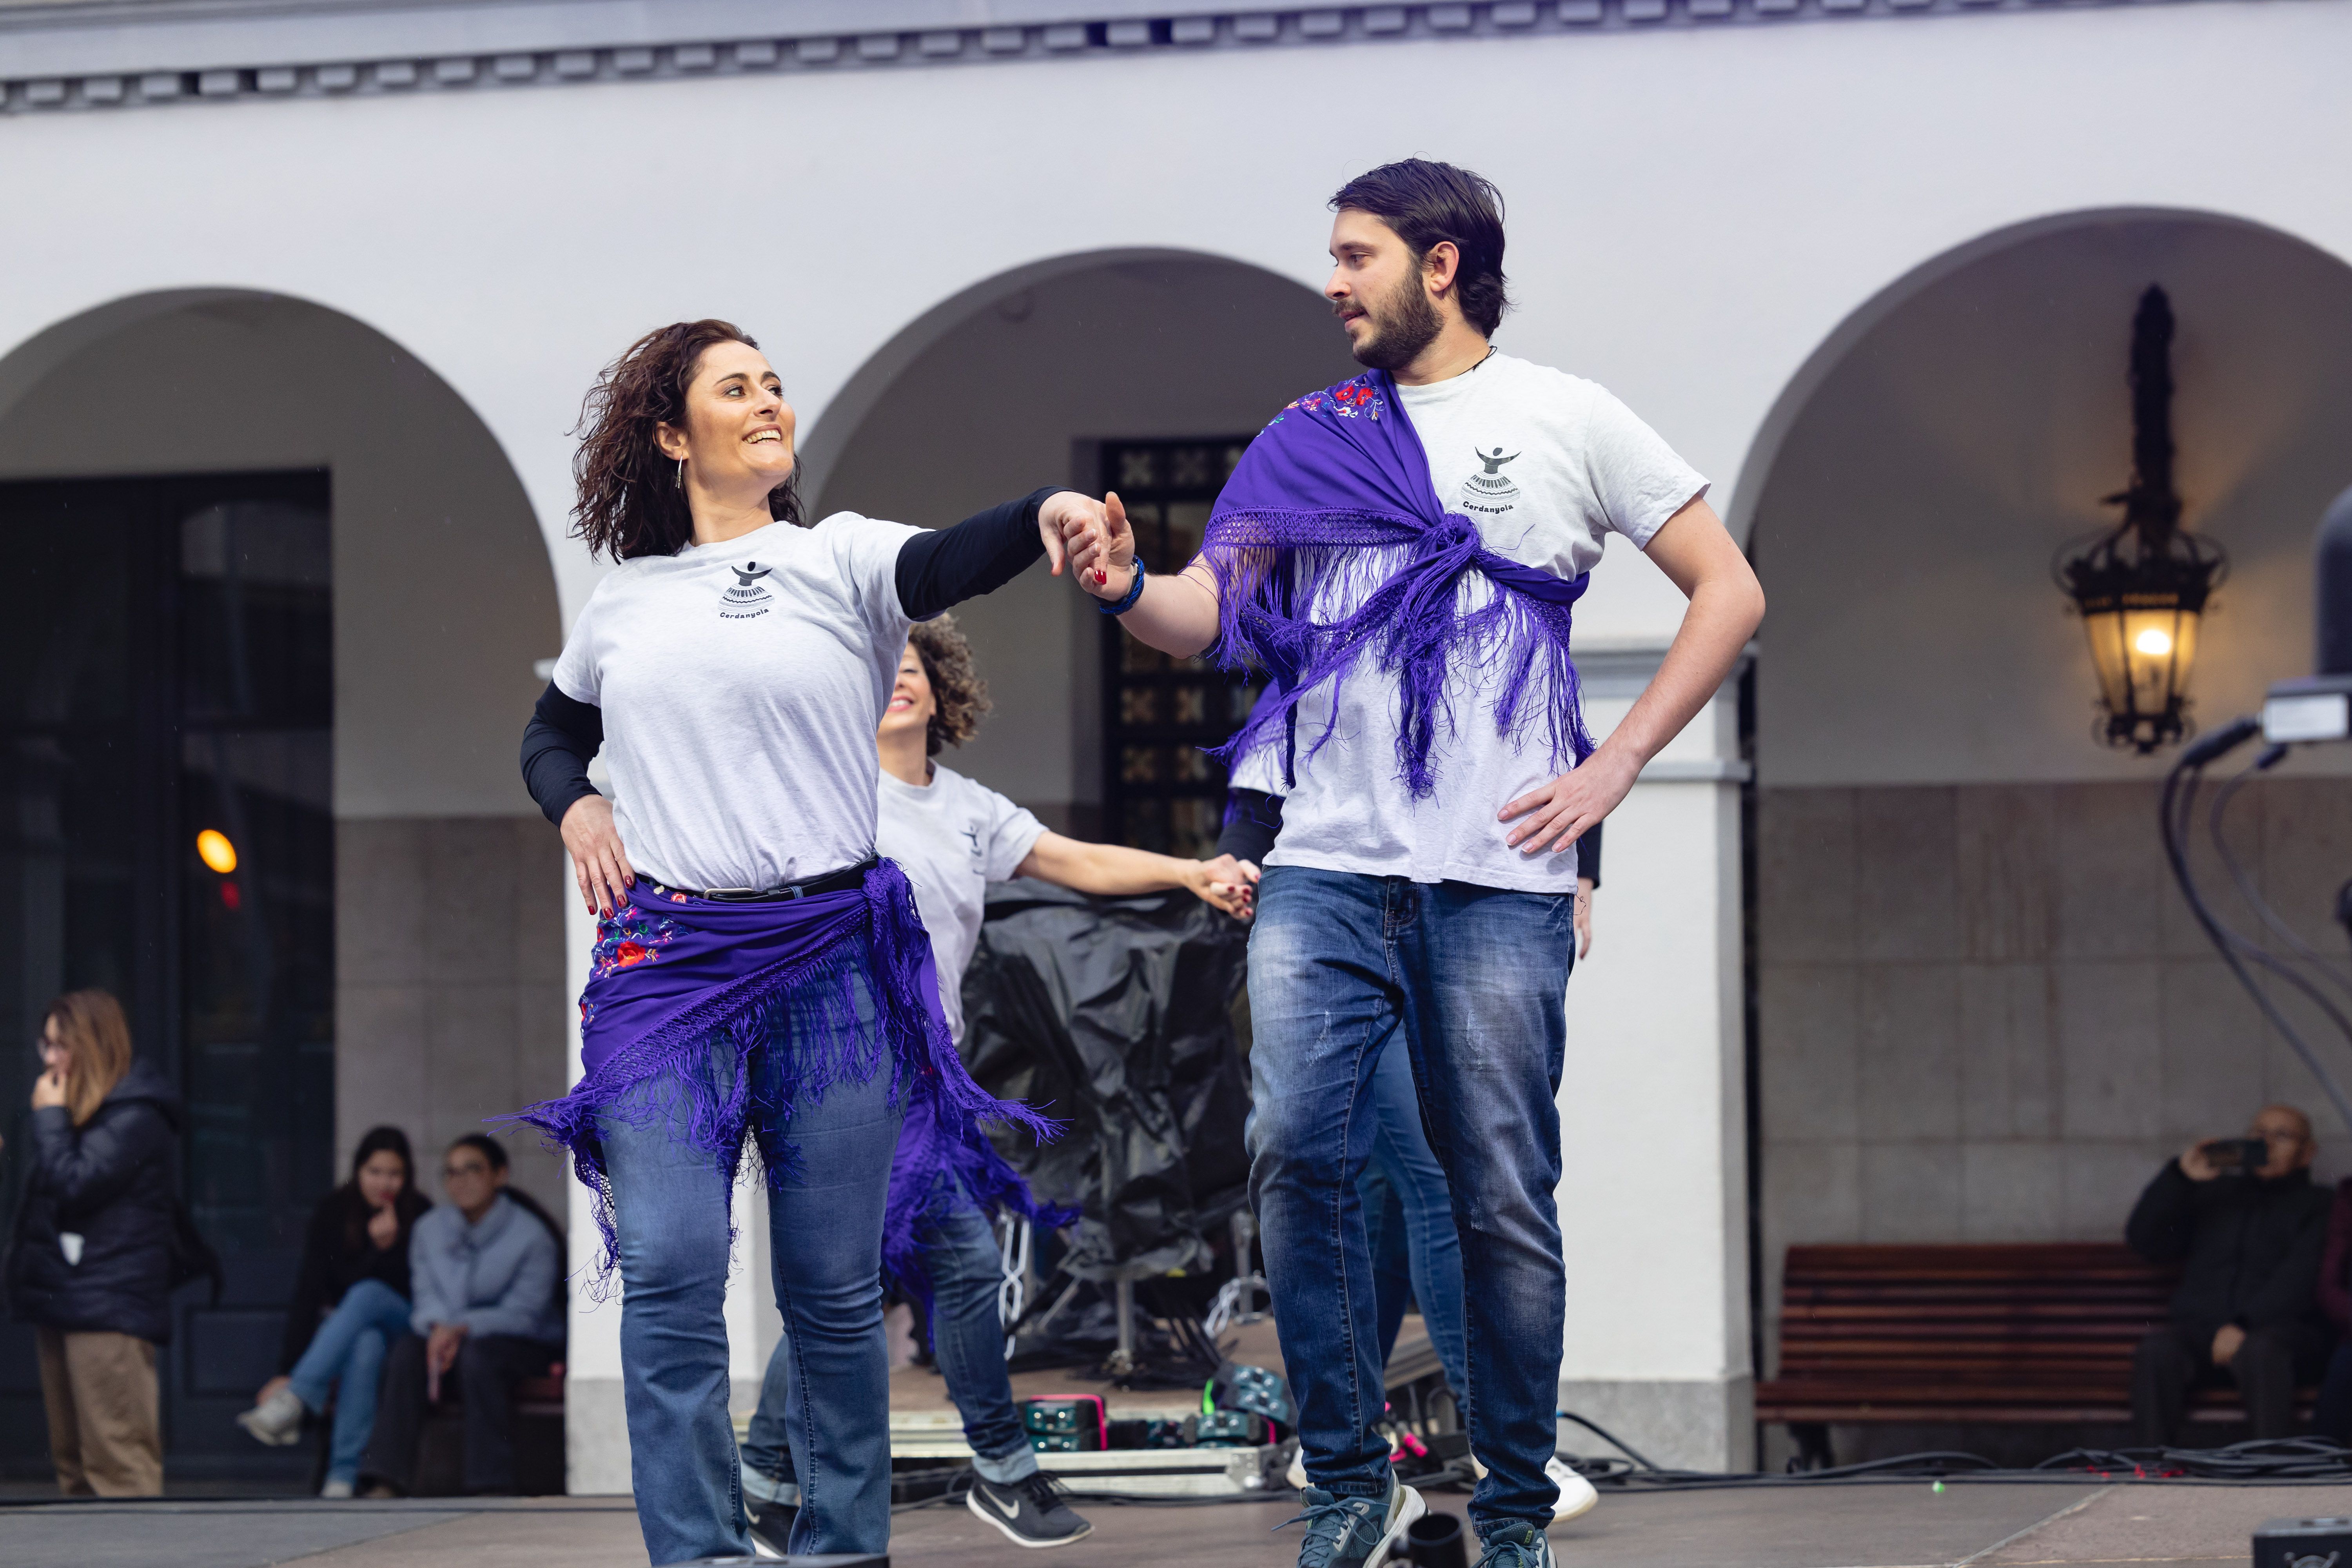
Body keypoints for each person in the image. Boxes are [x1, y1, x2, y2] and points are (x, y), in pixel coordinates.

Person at [1067, 160, 1764, 1568]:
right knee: (1292, 1157)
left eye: (1353, 253)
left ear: (1439, 263)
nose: (1331, 281)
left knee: (1496, 1179)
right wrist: (1127, 583)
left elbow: (1728, 586)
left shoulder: (1563, 415)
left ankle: (1509, 1505)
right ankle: (1347, 1481)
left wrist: (1616, 760)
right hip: (1325, 861)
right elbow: (1213, 614)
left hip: (1495, 874)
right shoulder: (1305, 433)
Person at [510, 319, 1109, 1563]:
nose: (768, 401)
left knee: (833, 1292)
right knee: (672, 1265)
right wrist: (577, 806)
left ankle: (845, 1547)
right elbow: (551, 733)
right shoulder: (623, 601)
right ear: (675, 435)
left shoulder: (837, 559)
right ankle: (699, 1550)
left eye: (774, 384)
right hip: (667, 968)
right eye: (737, 389)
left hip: (833, 956)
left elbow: (953, 555)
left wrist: (1048, 508)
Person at [739, 613, 1252, 1553]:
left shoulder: (970, 809)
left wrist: (1190, 871)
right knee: (939, 1269)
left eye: (912, 668)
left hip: (928, 1080)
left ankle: (768, 1476)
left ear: (940, 689)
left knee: (856, 1280)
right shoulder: (826, 794)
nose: (898, 680)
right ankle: (1003, 1469)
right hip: (839, 1072)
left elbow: (1079, 861)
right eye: (878, 670)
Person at [1218, 762, 1601, 1527]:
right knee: (1426, 1178)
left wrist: (1581, 870)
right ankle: (1490, 1439)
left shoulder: (1508, 646)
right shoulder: (1322, 646)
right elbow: (1277, 732)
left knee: (1388, 1206)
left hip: (1467, 899)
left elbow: (1550, 732)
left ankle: (1339, 1429)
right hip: (1341, 904)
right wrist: (1243, 854)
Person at [6, 989, 182, 1497]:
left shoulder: (135, 1112)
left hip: (110, 1304)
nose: (51, 1060)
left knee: (119, 1466)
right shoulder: (75, 1111)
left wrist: (50, 1121)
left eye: (63, 1046)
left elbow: (76, 1184)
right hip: (62, 1297)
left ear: (94, 1044)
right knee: (74, 1469)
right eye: (46, 1045)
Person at [357, 1134, 563, 1497]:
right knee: (407, 1351)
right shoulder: (429, 1229)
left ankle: (490, 1485)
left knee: (478, 1356)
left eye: (473, 1170)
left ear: (500, 1175)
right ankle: (386, 1480)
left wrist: (461, 1328)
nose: (460, 1181)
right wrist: (440, 1328)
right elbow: (425, 1296)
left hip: (519, 1344)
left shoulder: (532, 1237)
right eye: (451, 1173)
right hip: (448, 1340)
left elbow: (526, 1315)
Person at [235, 1126, 432, 1495]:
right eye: (375, 1172)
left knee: (370, 1293)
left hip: (406, 1324)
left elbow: (419, 1286)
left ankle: (296, 1397)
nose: (384, 1183)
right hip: (355, 1330)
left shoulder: (419, 1212)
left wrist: (386, 1249)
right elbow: (310, 1290)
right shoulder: (334, 1211)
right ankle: (342, 1478)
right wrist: (284, 1367)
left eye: (395, 1174)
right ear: (358, 1171)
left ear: (407, 1177)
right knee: (365, 1345)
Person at [2126, 1105, 2332, 1445]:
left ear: (2307, 1152)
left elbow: (2301, 1276)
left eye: (2282, 1136)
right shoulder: (2214, 1195)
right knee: (2157, 1350)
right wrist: (2180, 1178)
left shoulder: (2321, 1205)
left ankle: (2270, 1468)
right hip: (2204, 1335)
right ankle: (2150, 1471)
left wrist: (2244, 1325)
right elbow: (2146, 1242)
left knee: (2262, 1349)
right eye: (2259, 1134)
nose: (2267, 1143)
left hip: (2282, 1338)